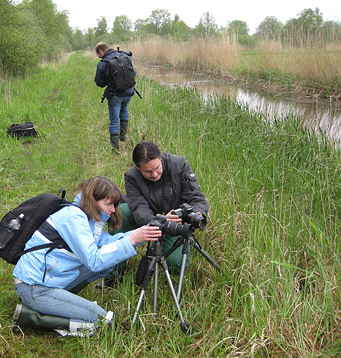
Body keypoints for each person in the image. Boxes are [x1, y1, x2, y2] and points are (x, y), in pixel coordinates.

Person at [12, 176, 161, 336]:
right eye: (108, 204)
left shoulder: (88, 218)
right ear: (92, 200)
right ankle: (28, 316)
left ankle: (58, 304)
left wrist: (146, 231)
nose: (112, 209)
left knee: (109, 261)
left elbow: (108, 244)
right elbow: (94, 261)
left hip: (53, 280)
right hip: (35, 287)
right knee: (101, 318)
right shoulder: (73, 217)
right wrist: (132, 239)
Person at [109, 141, 208, 282]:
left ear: (160, 159)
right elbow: (139, 208)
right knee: (120, 213)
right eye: (148, 172)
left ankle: (167, 249)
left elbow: (196, 197)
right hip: (149, 219)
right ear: (138, 168)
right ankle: (112, 274)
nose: (154, 174)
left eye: (157, 168)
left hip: (176, 222)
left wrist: (198, 214)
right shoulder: (131, 177)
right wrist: (159, 221)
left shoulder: (179, 164)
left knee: (176, 265)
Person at [94, 42, 136, 151]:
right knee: (125, 110)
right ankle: (122, 138)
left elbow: (99, 83)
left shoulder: (103, 63)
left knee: (114, 120)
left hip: (115, 95)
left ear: (101, 51)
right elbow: (134, 73)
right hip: (129, 92)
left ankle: (115, 149)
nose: (98, 57)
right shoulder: (125, 56)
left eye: (98, 54)